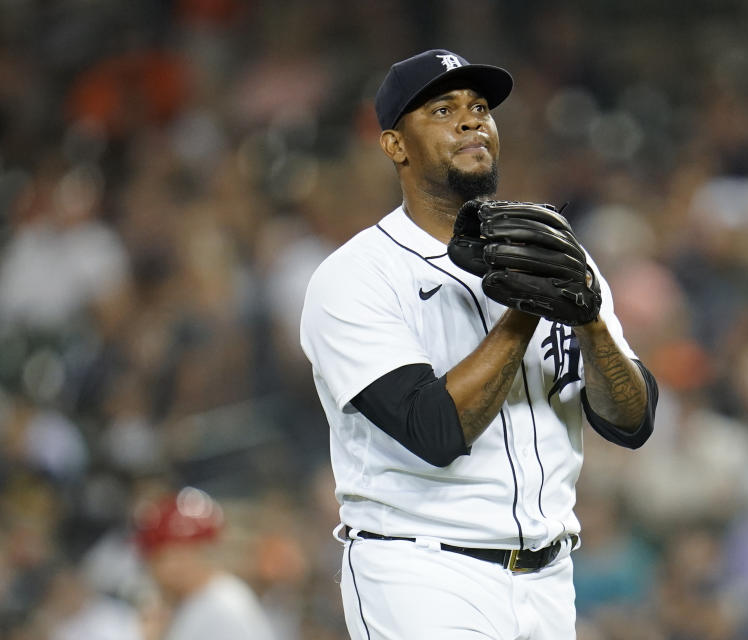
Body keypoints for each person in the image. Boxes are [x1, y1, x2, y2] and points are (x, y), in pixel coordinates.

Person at [299, 48, 658, 639]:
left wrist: (590, 320)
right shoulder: (356, 277)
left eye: (480, 107)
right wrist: (527, 307)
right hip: (422, 574)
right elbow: (435, 432)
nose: (471, 121)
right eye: (443, 109)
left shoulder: (557, 253)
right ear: (395, 145)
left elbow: (631, 422)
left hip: (549, 576)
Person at [132, 487, 276, 640]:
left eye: (157, 557)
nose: (152, 569)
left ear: (180, 555)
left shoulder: (223, 607)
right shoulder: (195, 601)